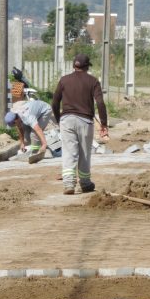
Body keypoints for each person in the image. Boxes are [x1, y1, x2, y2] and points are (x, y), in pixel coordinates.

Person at [51, 54, 109, 195]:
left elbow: (54, 102)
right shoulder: (93, 81)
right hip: (85, 121)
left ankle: (69, 184)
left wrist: (59, 119)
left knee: (69, 152)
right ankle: (85, 183)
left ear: (73, 66)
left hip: (67, 120)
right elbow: (100, 103)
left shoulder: (64, 80)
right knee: (84, 152)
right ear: (87, 66)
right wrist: (104, 124)